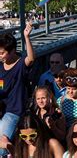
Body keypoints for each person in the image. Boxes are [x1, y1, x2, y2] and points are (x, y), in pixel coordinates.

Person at [0, 22, 34, 155]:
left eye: (2, 53)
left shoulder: (20, 64)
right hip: (1, 109)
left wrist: (27, 37)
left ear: (12, 50)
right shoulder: (0, 67)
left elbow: (30, 59)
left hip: (13, 111)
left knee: (2, 147)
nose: (0, 56)